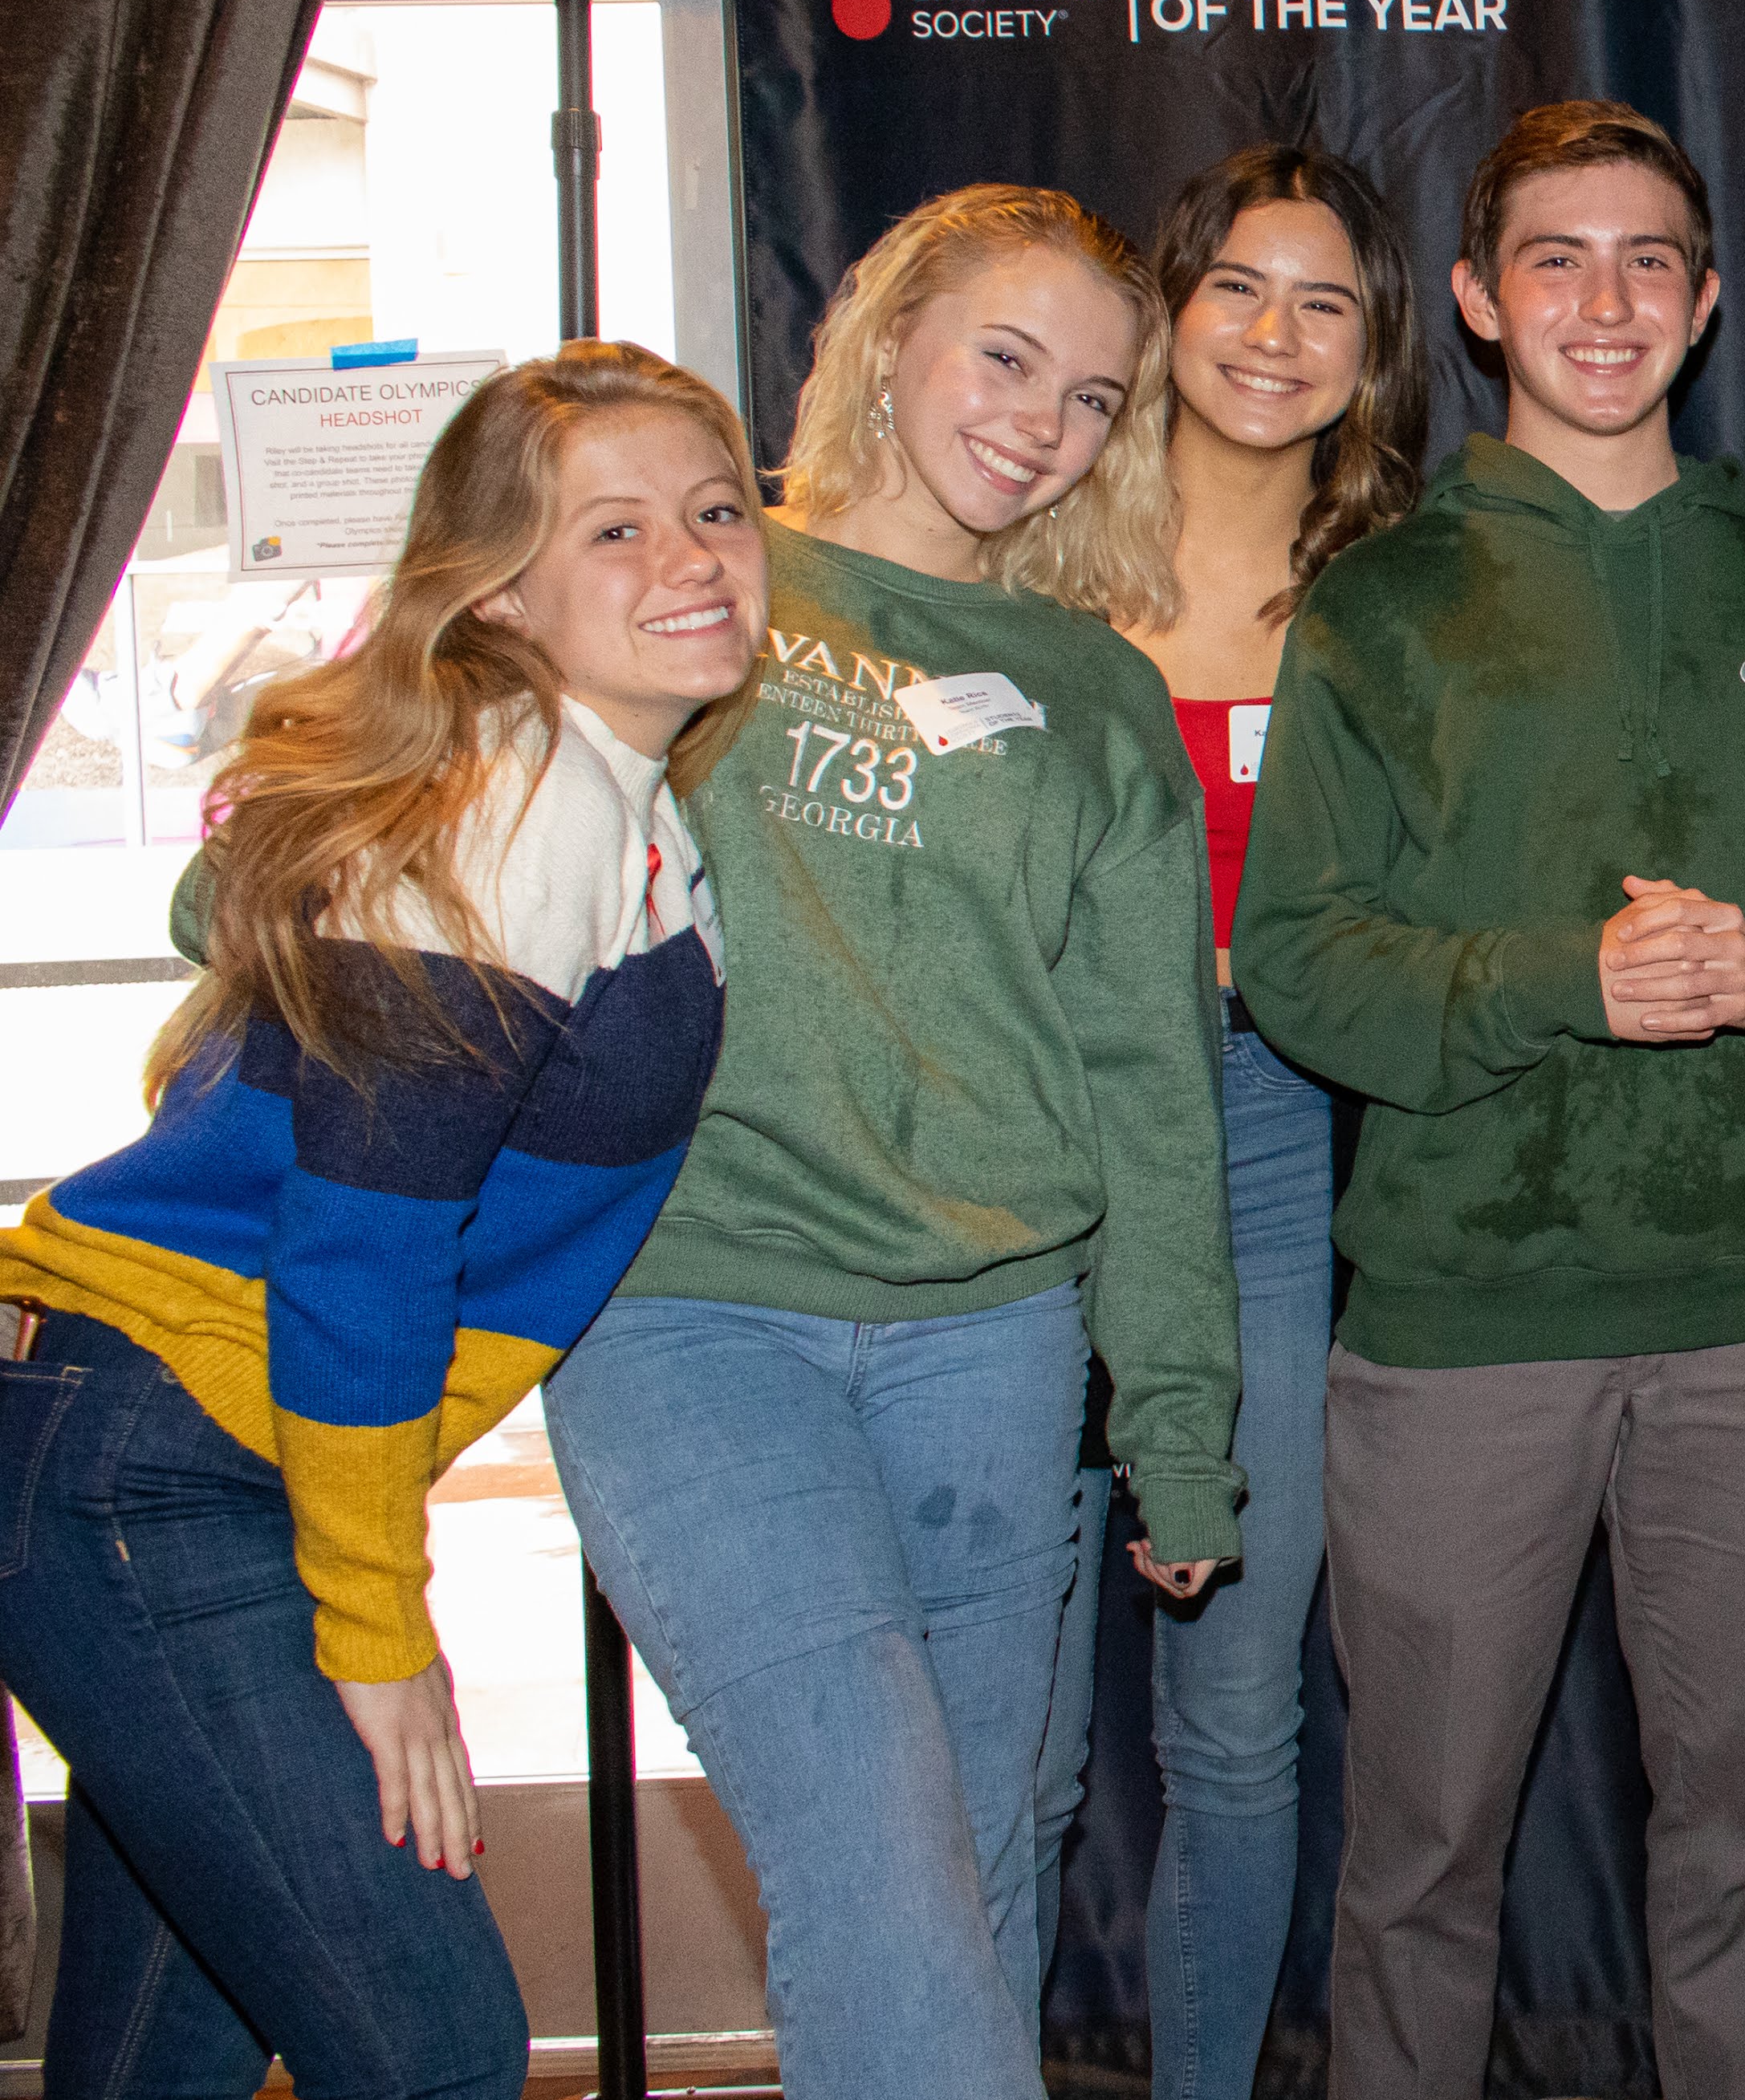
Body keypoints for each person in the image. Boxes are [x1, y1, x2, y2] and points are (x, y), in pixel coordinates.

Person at [1235, 100, 1745, 2100]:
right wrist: (1570, 982)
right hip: (1460, 1332)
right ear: (1475, 301)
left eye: (1649, 260)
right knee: (1420, 1860)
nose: (1604, 300)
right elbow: (1297, 958)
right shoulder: (1379, 608)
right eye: (1556, 257)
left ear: (1711, 303)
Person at [544, 185, 1245, 2100]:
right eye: (1006, 355)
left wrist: (1180, 1419)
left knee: (987, 1849)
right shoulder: (708, 573)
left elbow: (1151, 1089)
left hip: (990, 1340)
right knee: (881, 1852)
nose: (1041, 419)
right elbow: (430, 819)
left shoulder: (1095, 692)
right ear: (888, 330)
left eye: (1098, 398)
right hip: (694, 1312)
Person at [0, 342, 763, 2097]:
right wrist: (378, 1626)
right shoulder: (521, 791)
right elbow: (365, 1244)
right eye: (617, 534)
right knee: (429, 2047)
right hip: (154, 1468)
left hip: (173, 1452)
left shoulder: (615, 796)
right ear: (497, 591)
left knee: (162, 2054)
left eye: (717, 512)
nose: (693, 560)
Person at [1015, 141, 1430, 2100]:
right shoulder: (1022, 549)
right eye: (1239, 289)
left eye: (1323, 300)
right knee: (1004, 1728)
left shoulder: (1398, 591)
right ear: (1171, 311)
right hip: (1020, 1147)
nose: (1274, 336)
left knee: (1240, 1721)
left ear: (1374, 349)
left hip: (1265, 1137)